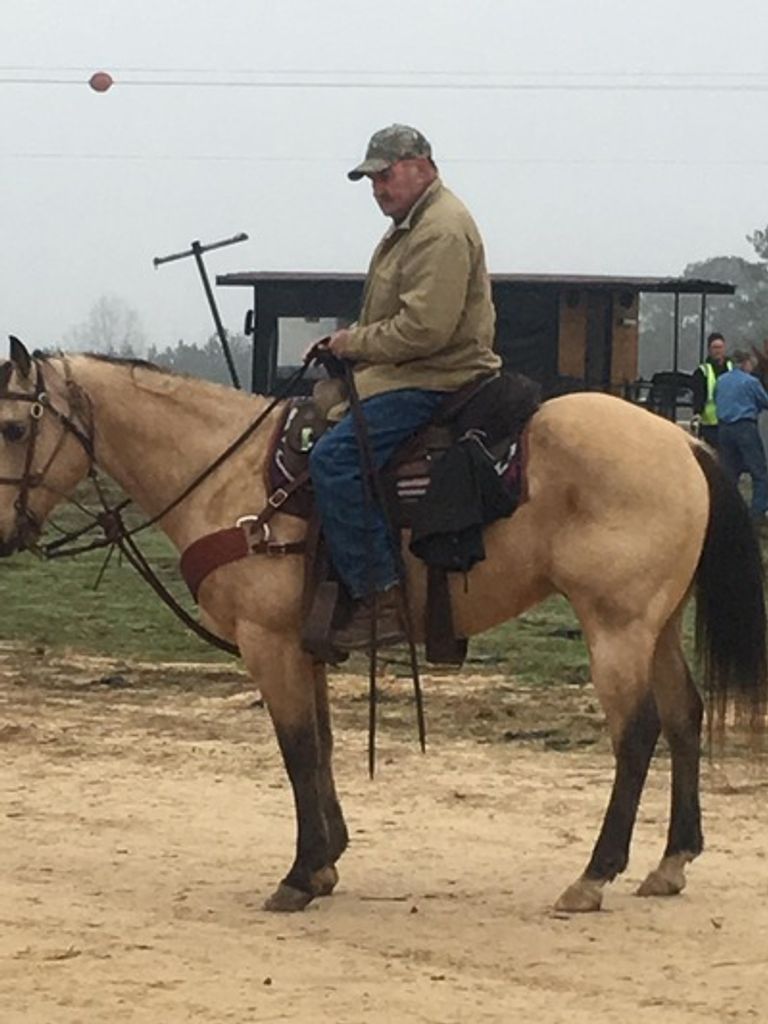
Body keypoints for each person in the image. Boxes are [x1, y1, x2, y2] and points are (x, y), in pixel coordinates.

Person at [309, 123, 501, 650]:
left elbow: (426, 329)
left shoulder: (438, 229)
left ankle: (380, 595)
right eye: (371, 180)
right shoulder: (411, 226)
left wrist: (353, 344)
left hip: (436, 375)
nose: (377, 189)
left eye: (385, 176)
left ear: (422, 166)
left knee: (335, 461)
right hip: (409, 369)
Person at [713, 349, 768, 520]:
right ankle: (756, 515)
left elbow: (716, 399)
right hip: (745, 428)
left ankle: (728, 513)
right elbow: (765, 401)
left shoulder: (721, 381)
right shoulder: (751, 382)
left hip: (724, 430)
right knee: (759, 473)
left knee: (729, 474)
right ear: (745, 363)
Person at [691, 332, 732, 448]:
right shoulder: (702, 371)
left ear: (724, 348)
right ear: (709, 349)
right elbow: (698, 394)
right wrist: (697, 413)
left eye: (720, 347)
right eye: (714, 347)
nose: (717, 351)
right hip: (710, 424)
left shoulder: (732, 368)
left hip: (729, 421)